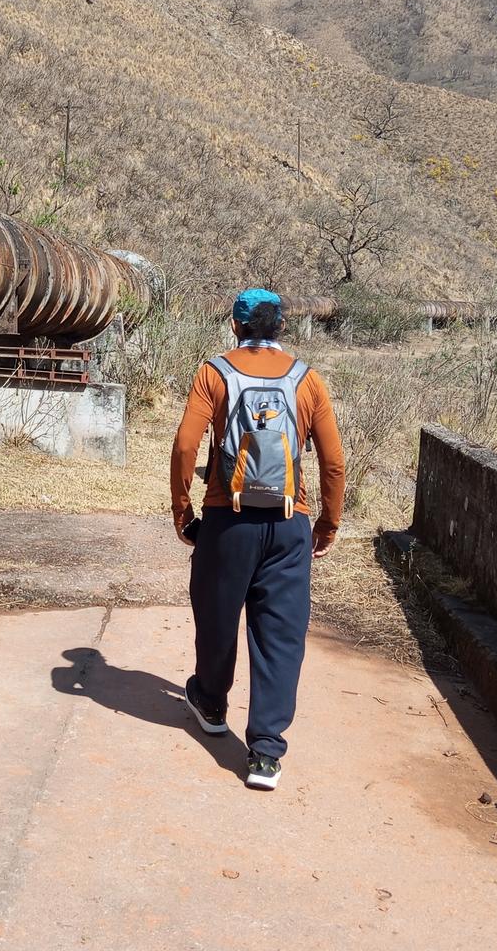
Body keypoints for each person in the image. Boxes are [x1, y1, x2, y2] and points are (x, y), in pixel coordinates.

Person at [169, 287, 345, 791]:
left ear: (235, 326)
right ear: (282, 327)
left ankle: (210, 703)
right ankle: (266, 753)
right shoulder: (307, 379)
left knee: (216, 617)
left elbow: (185, 445)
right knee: (280, 636)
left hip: (226, 521)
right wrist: (326, 525)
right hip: (290, 524)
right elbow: (333, 462)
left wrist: (183, 512)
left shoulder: (214, 372)